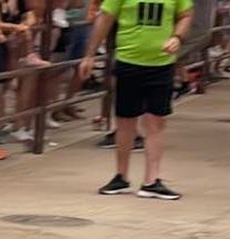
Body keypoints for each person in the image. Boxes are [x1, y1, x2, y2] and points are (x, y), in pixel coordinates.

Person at [78, 0, 190, 199]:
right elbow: (105, 18)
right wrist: (90, 54)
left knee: (156, 121)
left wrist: (177, 36)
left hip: (161, 63)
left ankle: (151, 180)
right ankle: (121, 175)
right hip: (129, 60)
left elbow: (185, 15)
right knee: (125, 120)